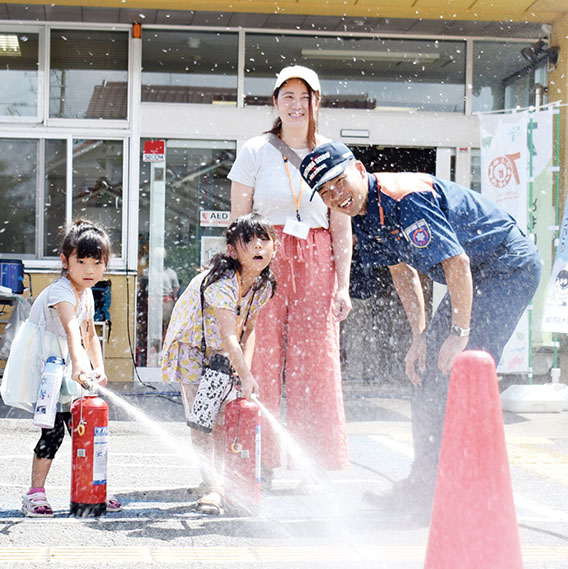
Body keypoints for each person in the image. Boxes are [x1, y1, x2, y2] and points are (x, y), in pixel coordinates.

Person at [300, 141, 542, 522]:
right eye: (326, 192)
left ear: (359, 169)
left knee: (461, 373)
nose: (336, 195)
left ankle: (465, 495)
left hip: (506, 266)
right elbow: (402, 273)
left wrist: (460, 331)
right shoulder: (366, 216)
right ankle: (424, 487)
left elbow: (457, 262)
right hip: (475, 274)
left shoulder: (405, 197)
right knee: (427, 372)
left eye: (339, 181)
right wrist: (420, 338)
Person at [228, 65, 352, 483]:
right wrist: (240, 273)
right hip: (265, 254)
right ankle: (262, 455)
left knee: (315, 361)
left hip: (318, 258)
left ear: (317, 102)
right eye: (289, 97)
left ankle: (312, 461)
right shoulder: (255, 150)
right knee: (260, 356)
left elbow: (342, 223)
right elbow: (239, 218)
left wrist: (344, 286)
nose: (297, 105)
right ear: (276, 102)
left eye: (305, 97)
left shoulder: (335, 152)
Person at [2, 219, 122, 517]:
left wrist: (99, 368)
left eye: (97, 262)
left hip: (69, 364)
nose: (89, 270)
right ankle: (34, 494)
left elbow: (90, 334)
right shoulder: (61, 291)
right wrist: (80, 367)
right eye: (80, 261)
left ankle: (92, 490)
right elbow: (72, 331)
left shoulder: (88, 292)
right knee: (53, 431)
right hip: (47, 367)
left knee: (84, 431)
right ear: (64, 261)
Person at [161, 213, 277, 514]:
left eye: (265, 239)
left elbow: (247, 332)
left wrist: (244, 374)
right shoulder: (222, 283)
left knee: (225, 419)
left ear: (275, 247)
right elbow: (229, 335)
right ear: (232, 250)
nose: (258, 246)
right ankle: (211, 486)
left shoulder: (263, 285)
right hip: (193, 350)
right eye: (248, 241)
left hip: (223, 355)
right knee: (203, 422)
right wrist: (245, 373)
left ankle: (217, 481)